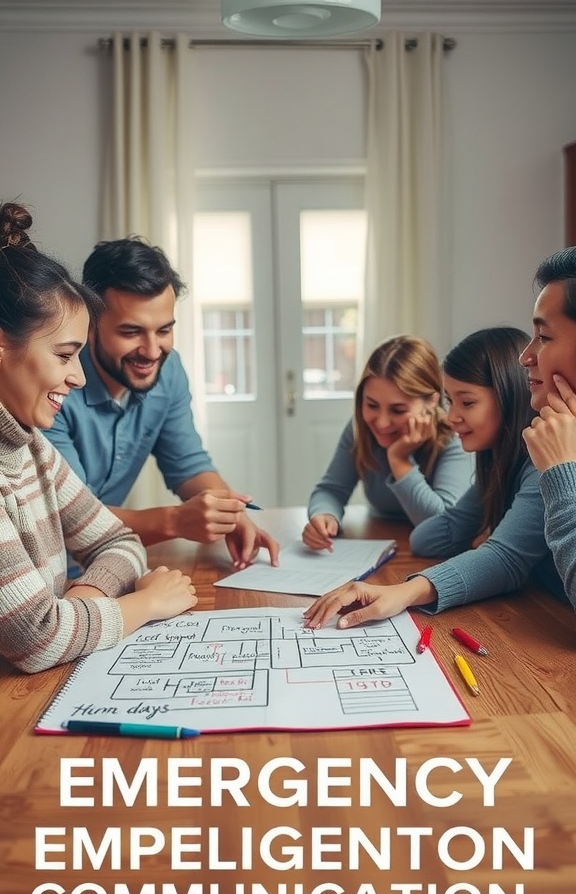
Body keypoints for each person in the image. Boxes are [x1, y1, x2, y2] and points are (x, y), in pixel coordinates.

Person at [0, 202, 197, 674]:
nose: (78, 377)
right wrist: (145, 605)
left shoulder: (31, 447)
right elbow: (39, 639)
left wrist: (82, 599)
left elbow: (120, 540)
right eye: (66, 355)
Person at [303, 326, 565, 629]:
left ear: (511, 397)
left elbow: (505, 559)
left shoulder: (536, 457)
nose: (452, 416)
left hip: (556, 614)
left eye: (466, 402)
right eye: (450, 400)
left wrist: (403, 592)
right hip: (545, 603)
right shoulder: (496, 460)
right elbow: (426, 538)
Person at [44, 237, 279, 569]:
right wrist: (177, 521)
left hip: (108, 560)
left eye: (164, 330)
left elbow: (188, 465)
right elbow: (74, 518)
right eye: (131, 332)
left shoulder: (168, 373)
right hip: (49, 571)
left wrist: (229, 513)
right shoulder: (54, 386)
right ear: (90, 326)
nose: (152, 351)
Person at [302, 336, 473, 551]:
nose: (382, 423)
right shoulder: (359, 429)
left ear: (431, 401)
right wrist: (324, 515)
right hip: (379, 541)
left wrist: (400, 460)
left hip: (434, 553)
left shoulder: (454, 437)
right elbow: (331, 490)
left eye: (398, 410)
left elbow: (444, 526)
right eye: (371, 405)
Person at [521, 246, 576, 608]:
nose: (525, 356)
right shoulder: (553, 432)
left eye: (544, 337)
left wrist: (561, 472)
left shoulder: (557, 448)